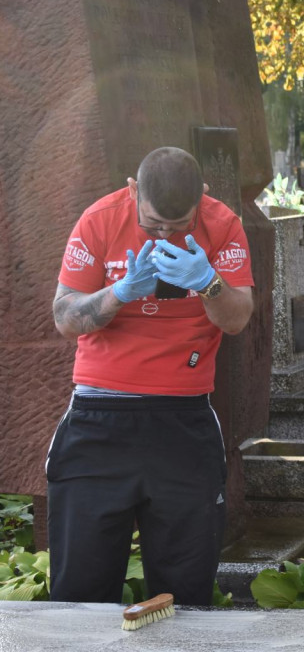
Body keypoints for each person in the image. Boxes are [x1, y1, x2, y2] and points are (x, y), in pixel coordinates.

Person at [48, 146, 255, 605]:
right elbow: (64, 318)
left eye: (177, 226)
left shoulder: (222, 225)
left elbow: (237, 317)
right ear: (132, 190)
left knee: (184, 593)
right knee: (79, 590)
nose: (164, 233)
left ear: (201, 197)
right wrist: (118, 293)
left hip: (182, 418)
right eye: (153, 223)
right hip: (99, 418)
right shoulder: (99, 219)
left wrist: (208, 282)